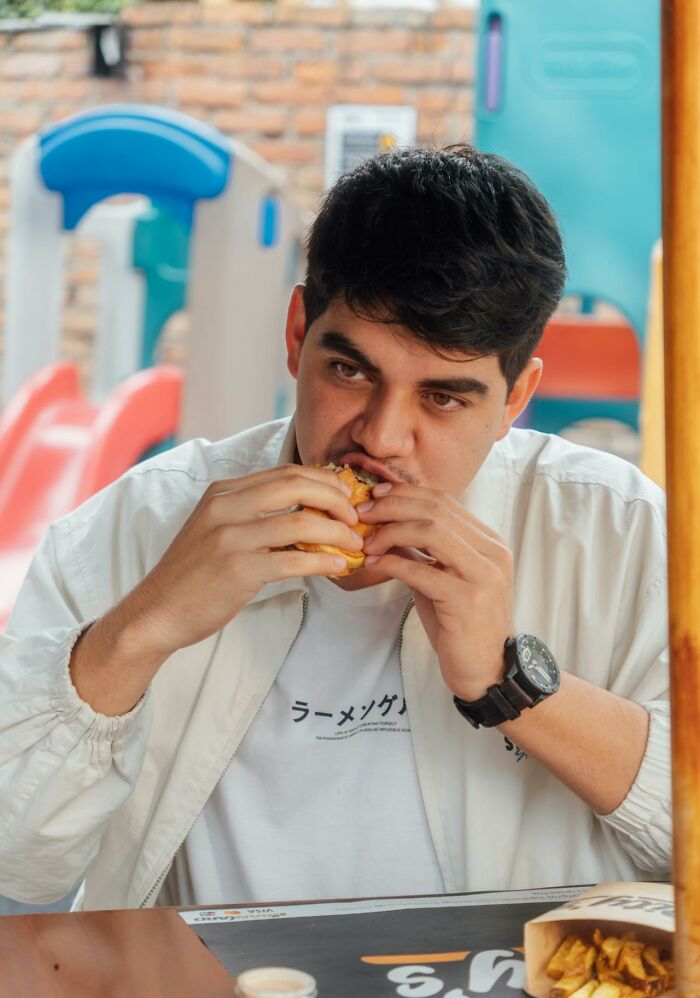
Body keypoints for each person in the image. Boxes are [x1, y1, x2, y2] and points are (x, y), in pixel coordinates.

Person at [0, 145, 669, 911]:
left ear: (517, 396)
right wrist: (140, 630)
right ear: (296, 334)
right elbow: (15, 872)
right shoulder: (131, 526)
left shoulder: (617, 530)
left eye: (444, 399)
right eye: (351, 372)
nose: (382, 438)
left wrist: (508, 679)